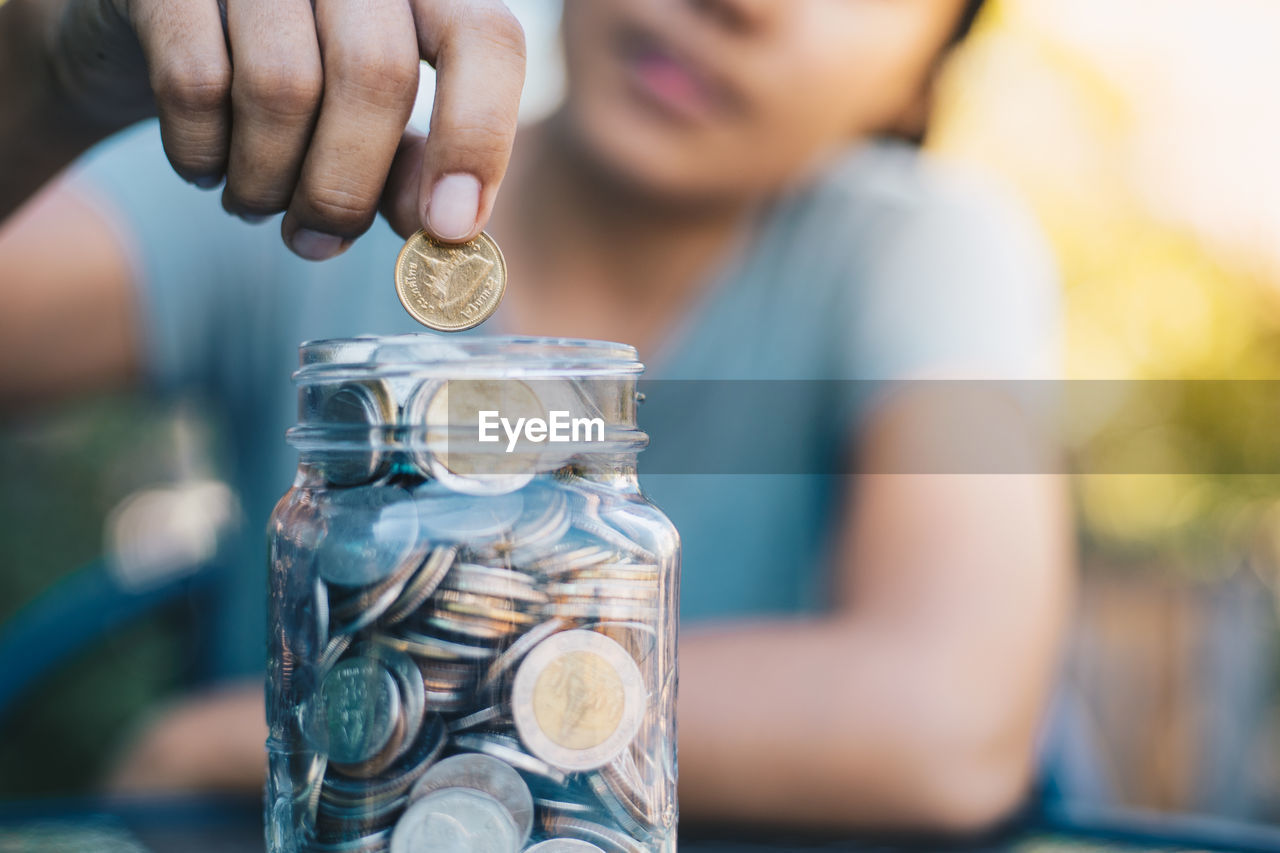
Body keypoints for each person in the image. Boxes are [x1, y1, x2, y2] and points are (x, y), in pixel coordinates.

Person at [0, 0, 1071, 833]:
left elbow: (949, 722)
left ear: (914, 87)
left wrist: (261, 733)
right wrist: (44, 80)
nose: (735, 3)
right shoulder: (301, 169)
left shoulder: (920, 248)